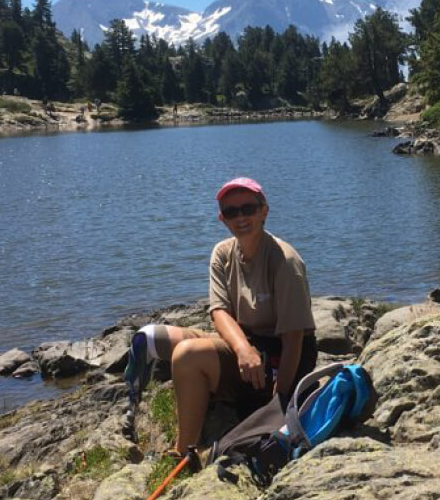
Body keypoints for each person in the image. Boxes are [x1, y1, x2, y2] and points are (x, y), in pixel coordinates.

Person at [124, 177, 317, 460]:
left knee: (187, 354)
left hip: (281, 359)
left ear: (264, 211)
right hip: (249, 344)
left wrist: (280, 403)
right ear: (222, 218)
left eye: (248, 208)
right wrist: (242, 348)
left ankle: (183, 452)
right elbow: (219, 311)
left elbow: (294, 340)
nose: (240, 217)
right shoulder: (223, 252)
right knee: (150, 337)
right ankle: (130, 414)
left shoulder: (284, 261)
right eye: (231, 212)